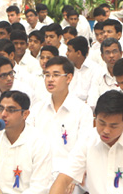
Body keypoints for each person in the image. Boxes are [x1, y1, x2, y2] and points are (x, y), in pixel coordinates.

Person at [50, 90, 123, 194]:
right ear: (95, 117)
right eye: (102, 123)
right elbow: (63, 179)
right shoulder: (88, 139)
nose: (106, 130)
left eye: (113, 126)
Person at [27, 56, 92, 186]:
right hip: (39, 175)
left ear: (68, 78)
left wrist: (72, 178)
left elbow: (83, 149)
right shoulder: (37, 109)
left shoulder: (82, 110)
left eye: (56, 75)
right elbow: (29, 143)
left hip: (70, 177)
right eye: (47, 75)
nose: (50, 80)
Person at [0, 90, 52, 193]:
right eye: (1, 109)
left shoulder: (39, 142)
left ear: (25, 114)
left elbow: (39, 187)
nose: (3, 114)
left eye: (11, 110)